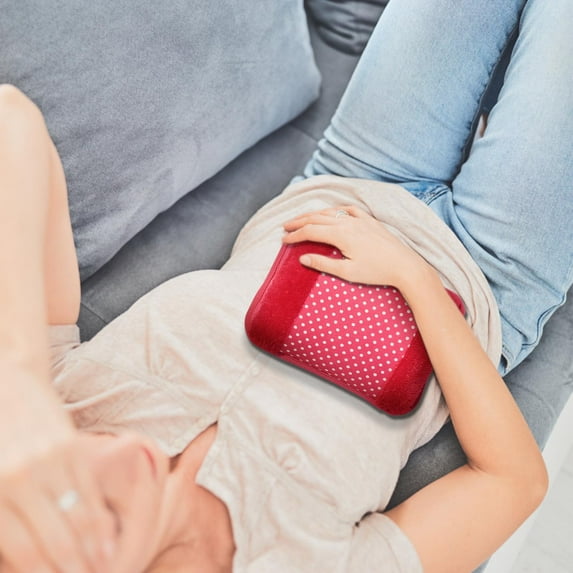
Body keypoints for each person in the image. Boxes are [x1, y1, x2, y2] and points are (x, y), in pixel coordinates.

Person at [0, 0, 571, 571]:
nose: (121, 449)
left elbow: (11, 120)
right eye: (106, 514)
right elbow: (513, 481)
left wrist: (23, 385)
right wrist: (414, 279)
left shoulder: (51, 411)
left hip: (349, 176)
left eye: (72, 472)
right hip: (488, 273)